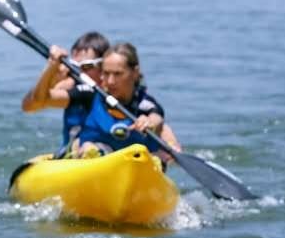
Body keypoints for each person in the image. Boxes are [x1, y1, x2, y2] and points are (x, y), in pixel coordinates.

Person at [23, 39, 181, 160]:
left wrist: (149, 123)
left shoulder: (145, 103)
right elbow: (39, 100)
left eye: (118, 74)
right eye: (106, 74)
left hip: (132, 166)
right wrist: (51, 67)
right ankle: (93, 154)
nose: (110, 81)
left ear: (134, 73)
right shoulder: (88, 95)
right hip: (90, 160)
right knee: (86, 146)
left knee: (157, 154)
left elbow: (156, 118)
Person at [22, 31, 109, 155]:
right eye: (74, 67)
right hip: (73, 154)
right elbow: (30, 105)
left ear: (104, 65)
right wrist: (52, 72)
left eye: (86, 66)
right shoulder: (70, 85)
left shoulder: (117, 92)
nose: (79, 73)